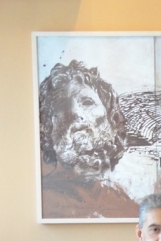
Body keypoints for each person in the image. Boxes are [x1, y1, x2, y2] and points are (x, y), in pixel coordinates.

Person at [38, 60, 144, 218]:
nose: (74, 112)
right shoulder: (47, 199)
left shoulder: (128, 204)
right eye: (62, 105)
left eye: (87, 102)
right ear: (48, 125)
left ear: (110, 119)